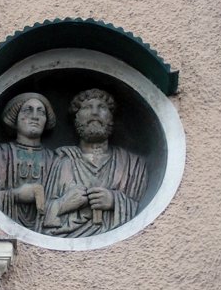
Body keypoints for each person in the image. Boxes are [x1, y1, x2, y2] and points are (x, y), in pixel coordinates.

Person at [42, 88, 147, 237]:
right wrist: (63, 204)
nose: (95, 112)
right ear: (76, 118)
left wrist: (114, 201)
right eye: (87, 107)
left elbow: (141, 211)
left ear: (111, 118)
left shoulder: (133, 165)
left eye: (102, 107)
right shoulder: (61, 161)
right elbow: (39, 215)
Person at [0, 92, 56, 230]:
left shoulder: (55, 160)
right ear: (15, 117)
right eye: (28, 110)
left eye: (41, 112)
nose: (35, 116)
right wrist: (16, 195)